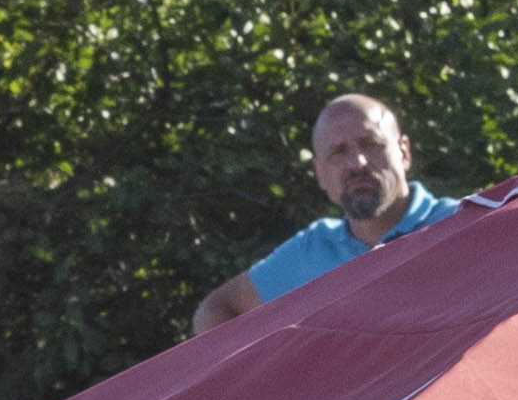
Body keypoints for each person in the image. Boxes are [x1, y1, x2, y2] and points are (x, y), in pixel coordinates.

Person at [190, 96, 456, 331]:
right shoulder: (311, 251)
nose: (356, 163)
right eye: (338, 152)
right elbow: (215, 310)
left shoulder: (459, 225)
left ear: (404, 152)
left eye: (371, 144)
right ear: (320, 174)